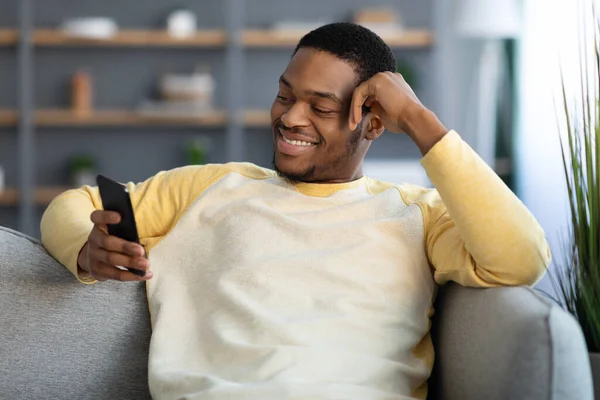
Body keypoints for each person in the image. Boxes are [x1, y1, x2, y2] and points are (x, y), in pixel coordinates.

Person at [41, 22, 550, 400]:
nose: (290, 117)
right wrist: (84, 249)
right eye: (284, 95)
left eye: (320, 107)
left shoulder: (417, 214)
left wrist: (418, 119)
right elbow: (76, 202)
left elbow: (520, 258)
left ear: (372, 124)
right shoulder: (213, 186)